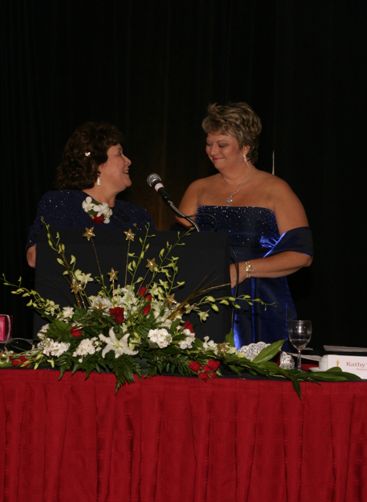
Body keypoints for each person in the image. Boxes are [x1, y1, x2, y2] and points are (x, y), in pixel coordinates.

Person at [177, 102, 313, 348]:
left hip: (262, 304)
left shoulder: (276, 189)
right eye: (209, 143)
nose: (212, 151)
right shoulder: (197, 189)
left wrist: (243, 269)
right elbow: (181, 250)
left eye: (222, 144)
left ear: (246, 147)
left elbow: (302, 255)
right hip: (207, 299)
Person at [26, 121, 153, 267]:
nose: (128, 161)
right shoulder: (63, 203)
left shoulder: (138, 215)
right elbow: (35, 257)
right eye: (119, 153)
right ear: (96, 164)